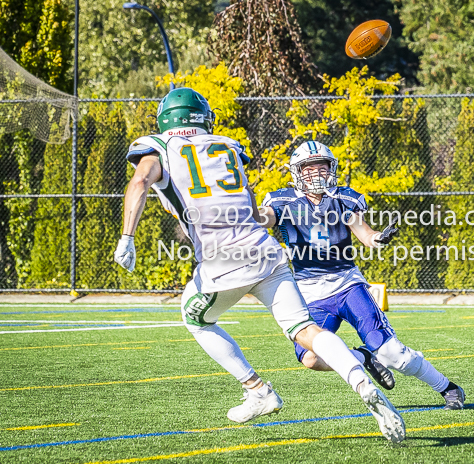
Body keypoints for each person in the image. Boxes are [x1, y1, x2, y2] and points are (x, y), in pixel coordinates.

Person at [113, 88, 405, 443]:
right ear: (204, 118)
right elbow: (250, 204)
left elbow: (141, 180)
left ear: (165, 119)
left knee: (195, 318)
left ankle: (258, 390)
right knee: (305, 331)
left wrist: (127, 236)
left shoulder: (157, 145)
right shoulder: (227, 145)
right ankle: (361, 382)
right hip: (266, 252)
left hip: (223, 259)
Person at [259, 141, 466, 410]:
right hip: (309, 291)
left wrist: (379, 238)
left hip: (347, 284)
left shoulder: (343, 198)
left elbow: (365, 234)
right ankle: (363, 356)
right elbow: (263, 218)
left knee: (393, 354)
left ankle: (447, 387)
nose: (317, 174)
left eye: (322, 167)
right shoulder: (282, 201)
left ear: (331, 169)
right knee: (310, 358)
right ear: (298, 172)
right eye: (310, 169)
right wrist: (242, 204)